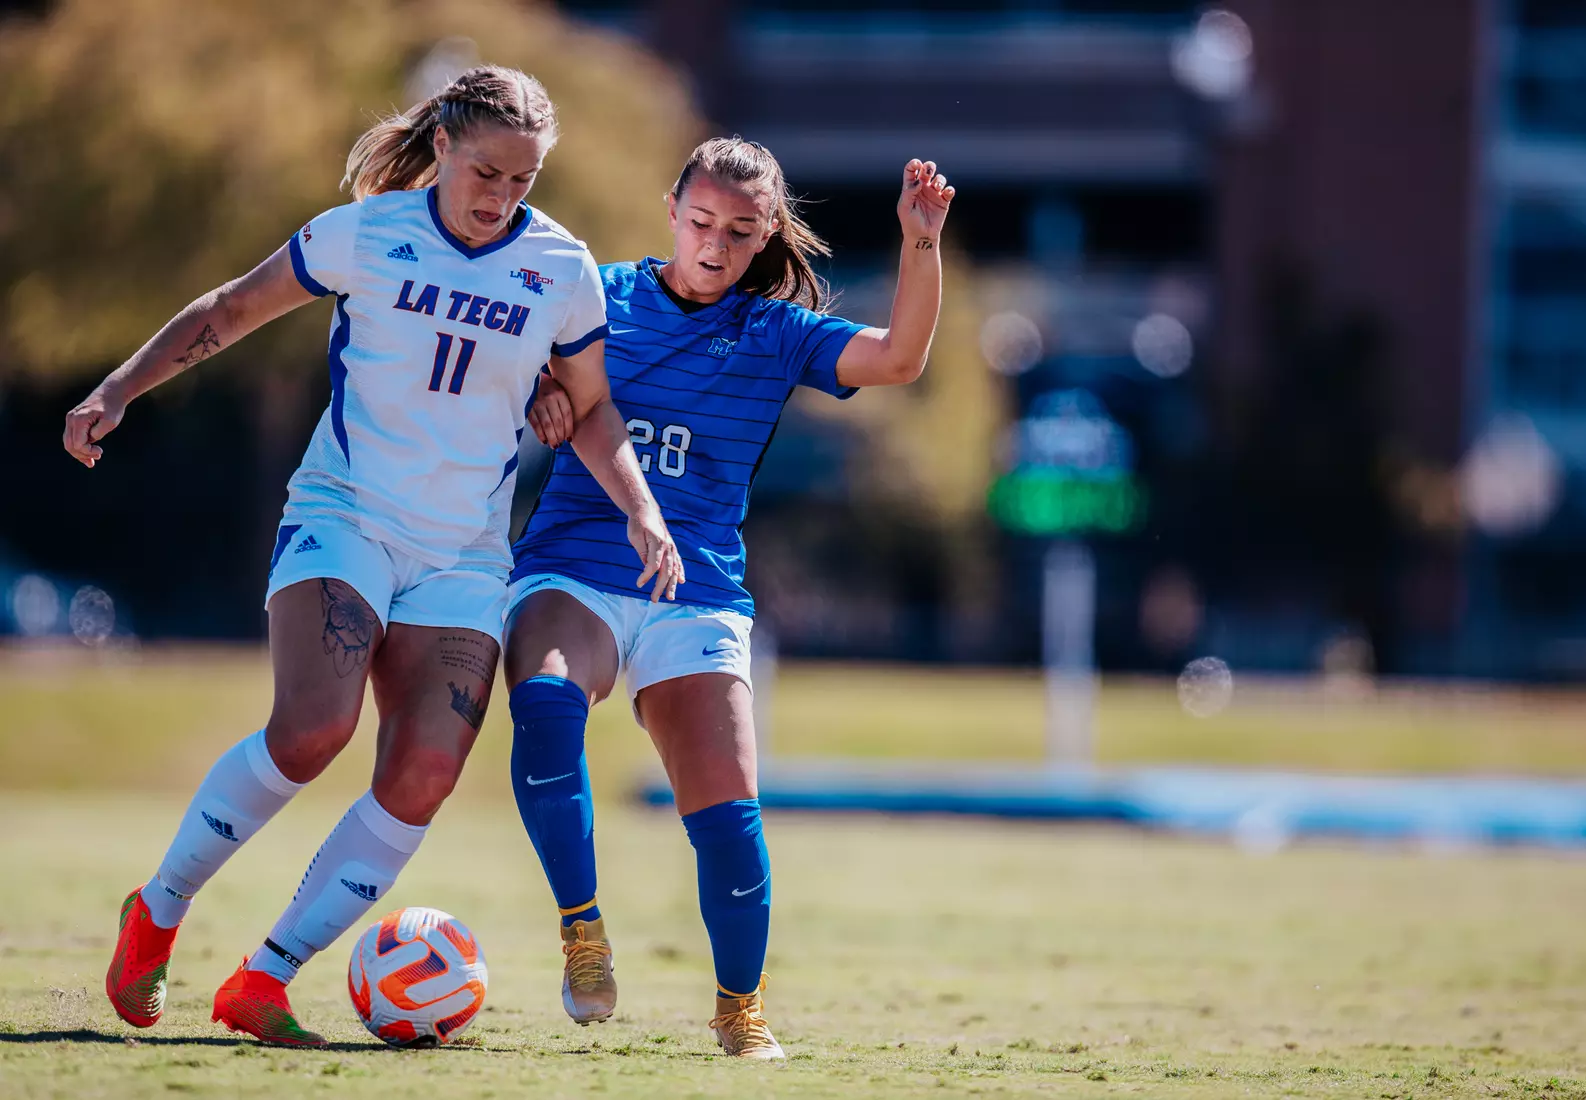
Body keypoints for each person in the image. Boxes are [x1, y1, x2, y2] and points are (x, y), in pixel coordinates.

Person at [66, 65, 683, 1048]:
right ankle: (160, 907)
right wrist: (118, 388)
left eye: (521, 182)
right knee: (313, 727)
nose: (499, 197)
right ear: (441, 145)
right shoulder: (364, 234)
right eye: (485, 171)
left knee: (426, 770)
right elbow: (228, 308)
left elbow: (590, 402)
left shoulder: (561, 270)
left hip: (466, 555)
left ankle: (261, 979)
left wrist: (641, 510)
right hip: (345, 515)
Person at [506, 137, 954, 1058]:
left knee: (727, 811)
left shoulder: (775, 331)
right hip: (573, 565)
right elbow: (510, 372)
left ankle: (739, 1010)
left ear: (766, 237)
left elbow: (901, 358)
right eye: (702, 222)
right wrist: (541, 394)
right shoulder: (596, 293)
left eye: (740, 232)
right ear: (671, 209)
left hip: (697, 591)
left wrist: (919, 242)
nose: (714, 245)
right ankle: (582, 931)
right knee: (546, 706)